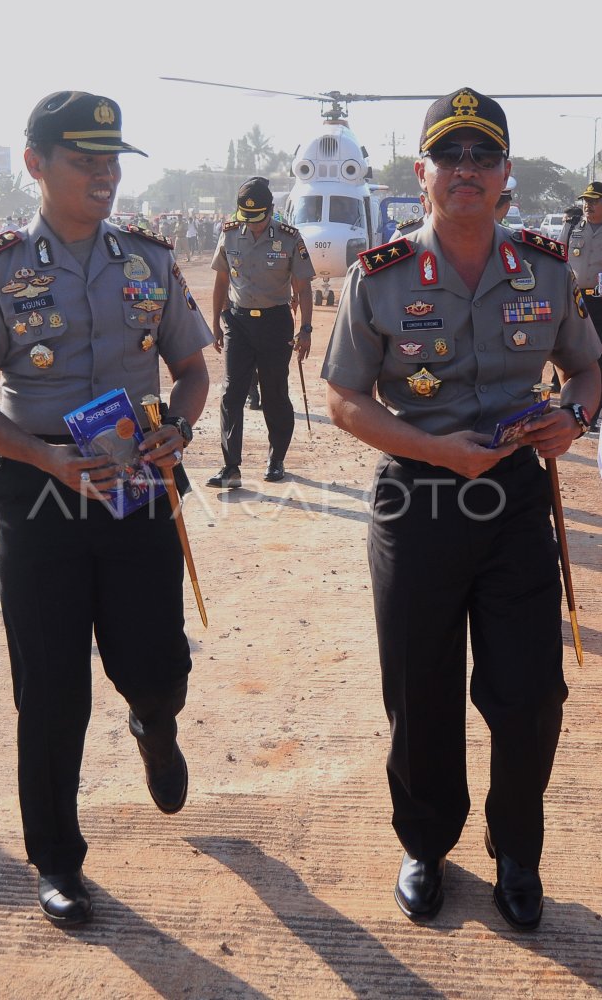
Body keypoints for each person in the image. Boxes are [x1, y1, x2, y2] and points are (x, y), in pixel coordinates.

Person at [321, 86, 601, 931]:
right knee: (420, 687)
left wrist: (574, 417)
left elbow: (590, 369)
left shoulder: (545, 267)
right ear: (422, 173)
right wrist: (436, 448)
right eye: (451, 156)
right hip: (418, 499)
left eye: (483, 156)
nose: (466, 171)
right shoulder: (381, 276)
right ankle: (425, 843)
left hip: (516, 501)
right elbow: (341, 396)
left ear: (506, 172)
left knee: (529, 694)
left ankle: (516, 849)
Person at [0, 90, 213, 926]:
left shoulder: (151, 261)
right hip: (39, 490)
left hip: (136, 484)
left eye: (111, 161)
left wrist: (181, 428)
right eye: (83, 161)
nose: (103, 175)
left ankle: (154, 725)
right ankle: (57, 858)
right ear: (36, 165)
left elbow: (193, 372)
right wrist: (44, 457)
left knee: (157, 664)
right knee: (51, 689)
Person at [207, 176, 315, 487]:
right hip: (238, 323)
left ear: (270, 211)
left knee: (274, 392)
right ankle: (231, 467)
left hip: (275, 322)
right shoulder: (229, 235)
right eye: (247, 218)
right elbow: (221, 282)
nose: (252, 225)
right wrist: (215, 322)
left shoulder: (290, 238)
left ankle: (276, 457)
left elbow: (303, 288)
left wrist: (306, 328)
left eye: (258, 218)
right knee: (231, 393)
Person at [558, 182, 602, 429]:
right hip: (576, 300)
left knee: (599, 355)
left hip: (600, 301)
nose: (588, 205)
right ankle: (581, 409)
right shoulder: (573, 226)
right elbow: (556, 257)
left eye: (594, 200)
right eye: (586, 200)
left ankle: (595, 412)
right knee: (575, 353)